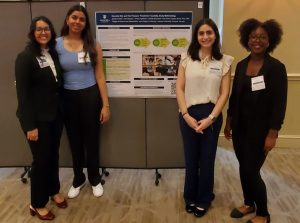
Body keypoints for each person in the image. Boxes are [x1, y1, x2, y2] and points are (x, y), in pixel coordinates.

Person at [224, 19, 287, 223]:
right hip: (241, 128)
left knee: (251, 170)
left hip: (260, 131)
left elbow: (279, 104)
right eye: (253, 37)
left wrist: (272, 134)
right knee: (243, 167)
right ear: (246, 39)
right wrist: (229, 121)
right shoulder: (242, 65)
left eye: (262, 37)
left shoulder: (276, 68)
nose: (257, 41)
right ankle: (249, 203)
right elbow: (235, 97)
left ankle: (263, 213)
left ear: (270, 41)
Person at [176, 18, 234, 217]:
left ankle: (204, 198)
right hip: (188, 114)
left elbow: (224, 93)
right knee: (191, 160)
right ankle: (190, 197)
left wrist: (211, 117)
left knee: (207, 160)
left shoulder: (224, 61)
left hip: (212, 114)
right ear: (196, 36)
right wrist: (185, 115)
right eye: (201, 33)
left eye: (209, 32)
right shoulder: (186, 58)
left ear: (215, 35)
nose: (205, 36)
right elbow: (180, 88)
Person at [15, 16, 67, 221]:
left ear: (52, 32)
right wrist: (30, 126)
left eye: (47, 29)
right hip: (35, 120)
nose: (43, 32)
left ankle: (53, 191)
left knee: (52, 156)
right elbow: (23, 95)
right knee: (41, 160)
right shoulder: (25, 57)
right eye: (39, 29)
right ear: (32, 32)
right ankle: (36, 203)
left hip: (54, 116)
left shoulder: (51, 53)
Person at [56, 5, 110, 199]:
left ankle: (95, 179)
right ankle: (78, 178)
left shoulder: (93, 44)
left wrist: (105, 104)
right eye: (74, 17)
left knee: (92, 140)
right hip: (67, 98)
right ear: (68, 19)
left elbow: (100, 76)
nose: (77, 22)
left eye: (81, 19)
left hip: (90, 97)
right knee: (74, 141)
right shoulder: (56, 45)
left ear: (86, 23)